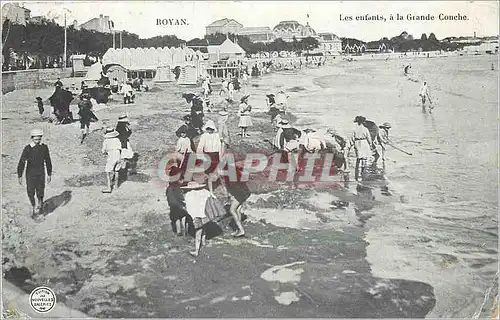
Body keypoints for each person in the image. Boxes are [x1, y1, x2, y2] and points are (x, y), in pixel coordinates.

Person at [17, 129, 52, 217]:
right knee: (30, 190)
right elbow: (22, 162)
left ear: (41, 138)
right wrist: (19, 175)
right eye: (35, 139)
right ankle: (32, 205)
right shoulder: (27, 148)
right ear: (32, 138)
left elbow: (48, 160)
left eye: (39, 139)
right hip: (30, 173)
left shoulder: (44, 147)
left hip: (40, 172)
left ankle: (40, 204)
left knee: (40, 189)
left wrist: (49, 174)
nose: (37, 141)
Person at [182, 181, 212, 257]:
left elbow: (188, 207)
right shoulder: (205, 192)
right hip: (206, 214)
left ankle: (196, 251)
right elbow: (212, 197)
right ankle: (204, 242)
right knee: (204, 227)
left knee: (198, 232)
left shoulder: (189, 195)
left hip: (197, 215)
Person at [166, 166, 191, 236]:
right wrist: (182, 206)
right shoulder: (172, 189)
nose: (182, 181)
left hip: (176, 206)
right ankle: (181, 230)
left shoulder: (174, 187)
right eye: (181, 180)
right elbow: (172, 200)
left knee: (179, 217)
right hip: (176, 205)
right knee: (179, 217)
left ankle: (181, 231)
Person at [349, 116, 374, 182]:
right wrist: (371, 145)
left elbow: (352, 138)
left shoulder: (354, 129)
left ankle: (357, 172)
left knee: (358, 157)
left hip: (357, 142)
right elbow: (369, 138)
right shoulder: (365, 129)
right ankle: (363, 171)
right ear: (363, 122)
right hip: (364, 142)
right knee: (364, 158)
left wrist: (351, 145)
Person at [101, 128, 122, 193]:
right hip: (118, 156)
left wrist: (105, 153)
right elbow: (120, 149)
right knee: (116, 170)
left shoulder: (106, 141)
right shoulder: (117, 139)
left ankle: (109, 188)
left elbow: (103, 151)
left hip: (111, 156)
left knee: (108, 171)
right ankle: (116, 186)